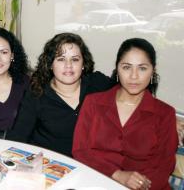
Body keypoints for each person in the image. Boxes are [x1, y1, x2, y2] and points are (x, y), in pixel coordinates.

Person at [72, 38, 177, 190]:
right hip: (96, 182)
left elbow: (163, 168)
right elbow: (80, 151)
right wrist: (117, 175)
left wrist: (138, 185)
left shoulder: (165, 113)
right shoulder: (93, 103)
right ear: (117, 69)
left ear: (153, 71)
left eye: (142, 68)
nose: (134, 76)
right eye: (126, 67)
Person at [6, 33, 113, 156]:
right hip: (51, 166)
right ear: (50, 64)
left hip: (93, 166)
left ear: (83, 64)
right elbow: (17, 137)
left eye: (75, 59)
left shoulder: (98, 84)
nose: (68, 65)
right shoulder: (37, 94)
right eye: (61, 59)